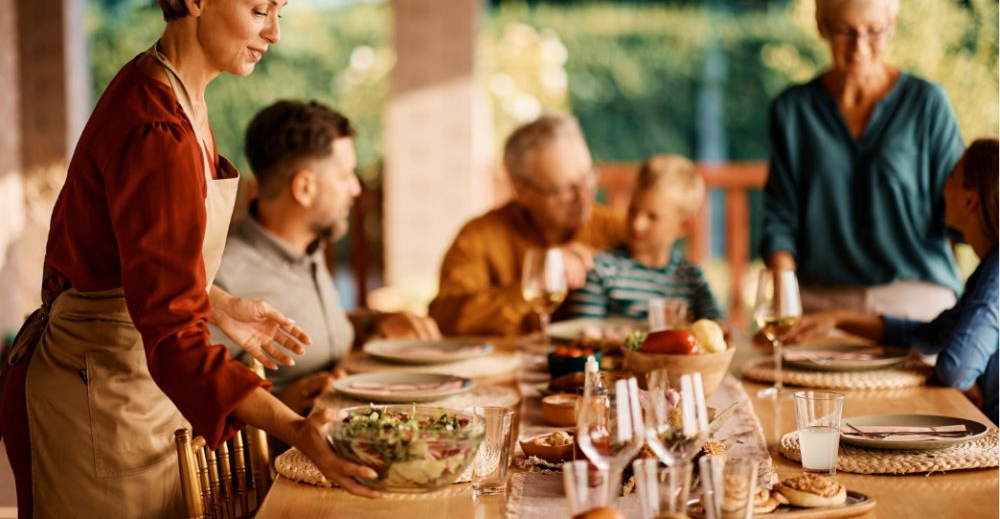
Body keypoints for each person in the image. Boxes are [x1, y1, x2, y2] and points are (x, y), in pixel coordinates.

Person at [0, 0, 379, 519]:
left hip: (126, 379)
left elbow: (135, 261)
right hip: (101, 396)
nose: (274, 33)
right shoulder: (158, 131)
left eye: (280, 12)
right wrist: (298, 428)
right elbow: (169, 331)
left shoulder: (177, 96)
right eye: (260, 10)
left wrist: (217, 303)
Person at [762, 0, 964, 321]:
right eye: (844, 30)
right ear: (821, 26)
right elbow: (780, 218)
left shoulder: (927, 104)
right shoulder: (793, 110)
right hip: (821, 301)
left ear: (893, 25)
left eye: (875, 30)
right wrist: (786, 303)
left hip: (914, 296)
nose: (860, 47)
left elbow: (962, 213)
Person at [212, 99, 439, 417]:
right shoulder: (223, 279)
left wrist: (377, 320)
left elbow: (317, 331)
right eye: (346, 175)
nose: (356, 189)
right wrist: (278, 409)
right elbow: (188, 406)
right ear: (304, 188)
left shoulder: (308, 249)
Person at [788, 139, 998, 425]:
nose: (943, 187)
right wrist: (837, 319)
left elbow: (957, 369)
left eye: (951, 177)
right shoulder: (988, 267)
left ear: (970, 200)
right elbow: (931, 335)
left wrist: (963, 380)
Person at [429, 114, 624, 337]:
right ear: (521, 191)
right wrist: (532, 283)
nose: (584, 197)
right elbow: (444, 320)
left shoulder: (617, 229)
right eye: (563, 190)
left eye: (587, 177)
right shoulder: (477, 237)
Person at [566, 154, 723, 322]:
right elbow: (583, 337)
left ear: (684, 226)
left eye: (652, 217)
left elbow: (719, 331)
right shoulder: (601, 269)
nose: (637, 224)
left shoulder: (691, 278)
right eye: (633, 210)